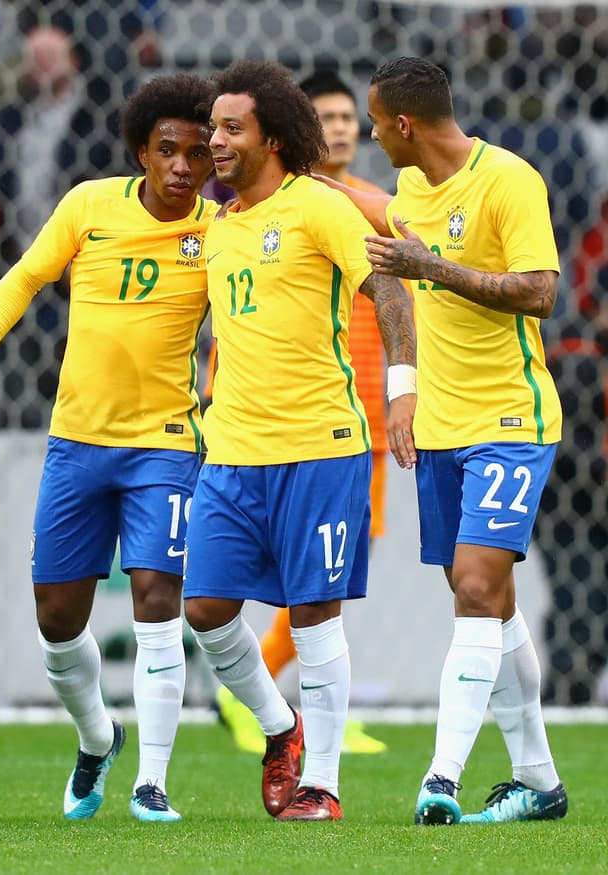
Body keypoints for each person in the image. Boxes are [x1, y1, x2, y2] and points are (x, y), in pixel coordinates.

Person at [0, 72, 219, 822]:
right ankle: (98, 736)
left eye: (197, 154)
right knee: (57, 617)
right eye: (167, 149)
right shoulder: (87, 206)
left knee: (157, 598)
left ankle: (153, 780)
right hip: (77, 441)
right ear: (142, 150)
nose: (181, 166)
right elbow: (25, 276)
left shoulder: (218, 232)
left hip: (166, 445)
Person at [185, 60, 417, 822]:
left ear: (274, 138)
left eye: (229, 128)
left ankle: (321, 781)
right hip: (232, 451)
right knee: (208, 610)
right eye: (212, 126)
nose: (213, 140)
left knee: (315, 613)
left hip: (320, 445)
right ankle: (280, 728)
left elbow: (386, 283)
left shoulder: (319, 206)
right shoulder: (216, 225)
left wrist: (404, 387)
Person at [359, 56, 566, 825]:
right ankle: (538, 780)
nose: (376, 135)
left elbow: (540, 291)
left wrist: (432, 267)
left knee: (477, 587)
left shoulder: (509, 180)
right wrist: (404, 391)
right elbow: (388, 260)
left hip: (511, 420)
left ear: (405, 123)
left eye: (378, 122)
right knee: (487, 599)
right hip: (441, 424)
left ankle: (440, 779)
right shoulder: (409, 192)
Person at [214, 69, 390, 757]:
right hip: (288, 420)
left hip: (363, 414)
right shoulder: (264, 211)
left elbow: (413, 253)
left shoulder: (362, 204)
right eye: (329, 117)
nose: (341, 127)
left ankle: (306, 706)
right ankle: (261, 683)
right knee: (311, 574)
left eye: (350, 116)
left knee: (334, 568)